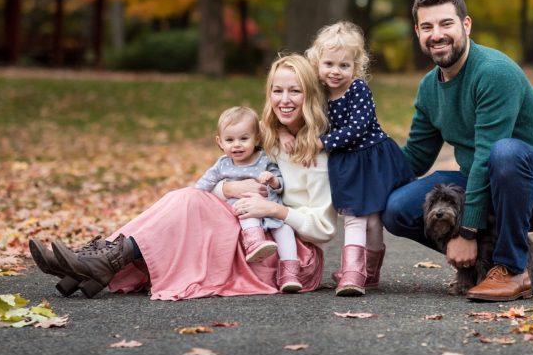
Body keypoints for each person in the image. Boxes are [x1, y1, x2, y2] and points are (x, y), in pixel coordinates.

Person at [29, 54, 335, 300]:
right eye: (277, 90)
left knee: (189, 201)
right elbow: (222, 185)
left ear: (309, 96)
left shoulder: (318, 153)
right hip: (247, 230)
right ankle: (94, 260)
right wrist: (228, 186)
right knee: (183, 198)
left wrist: (274, 209)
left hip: (286, 256)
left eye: (295, 91)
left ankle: (99, 263)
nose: (285, 99)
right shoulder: (265, 138)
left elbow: (323, 230)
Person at [382, 0, 533, 302]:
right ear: (418, 32)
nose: (437, 34)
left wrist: (467, 231)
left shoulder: (493, 72)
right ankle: (476, 264)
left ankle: (511, 269)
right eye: (427, 27)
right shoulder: (429, 87)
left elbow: (490, 155)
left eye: (446, 24)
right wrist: (361, 160)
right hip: (488, 178)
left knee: (506, 152)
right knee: (396, 208)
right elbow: (414, 159)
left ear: (466, 25)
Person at [290, 22, 414, 296]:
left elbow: (358, 127)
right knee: (357, 218)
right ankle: (358, 274)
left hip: (371, 159)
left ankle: (363, 273)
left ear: (356, 68)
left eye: (344, 66)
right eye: (329, 64)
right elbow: (304, 118)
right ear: (317, 63)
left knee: (372, 220)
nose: (336, 71)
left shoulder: (357, 89)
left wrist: (323, 142)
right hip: (347, 164)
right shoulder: (319, 93)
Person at [194, 105, 302, 291]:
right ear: (219, 142)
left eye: (244, 138)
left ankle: (289, 274)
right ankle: (255, 243)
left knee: (285, 230)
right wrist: (193, 197)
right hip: (244, 209)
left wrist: (272, 180)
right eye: (230, 140)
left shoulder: (264, 159)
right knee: (247, 212)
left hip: (269, 209)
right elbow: (202, 187)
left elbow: (281, 183)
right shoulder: (222, 165)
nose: (237, 145)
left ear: (257, 138)